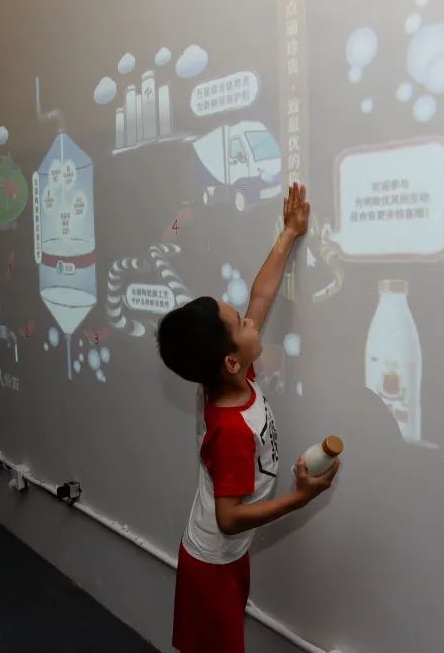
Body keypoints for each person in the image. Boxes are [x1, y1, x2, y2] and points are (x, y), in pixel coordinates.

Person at [157, 182, 340, 653]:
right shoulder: (231, 431)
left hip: (224, 557)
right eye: (241, 324)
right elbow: (229, 517)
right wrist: (300, 498)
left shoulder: (231, 380)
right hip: (212, 564)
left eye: (241, 316)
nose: (252, 319)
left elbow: (261, 296)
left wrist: (289, 233)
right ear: (231, 361)